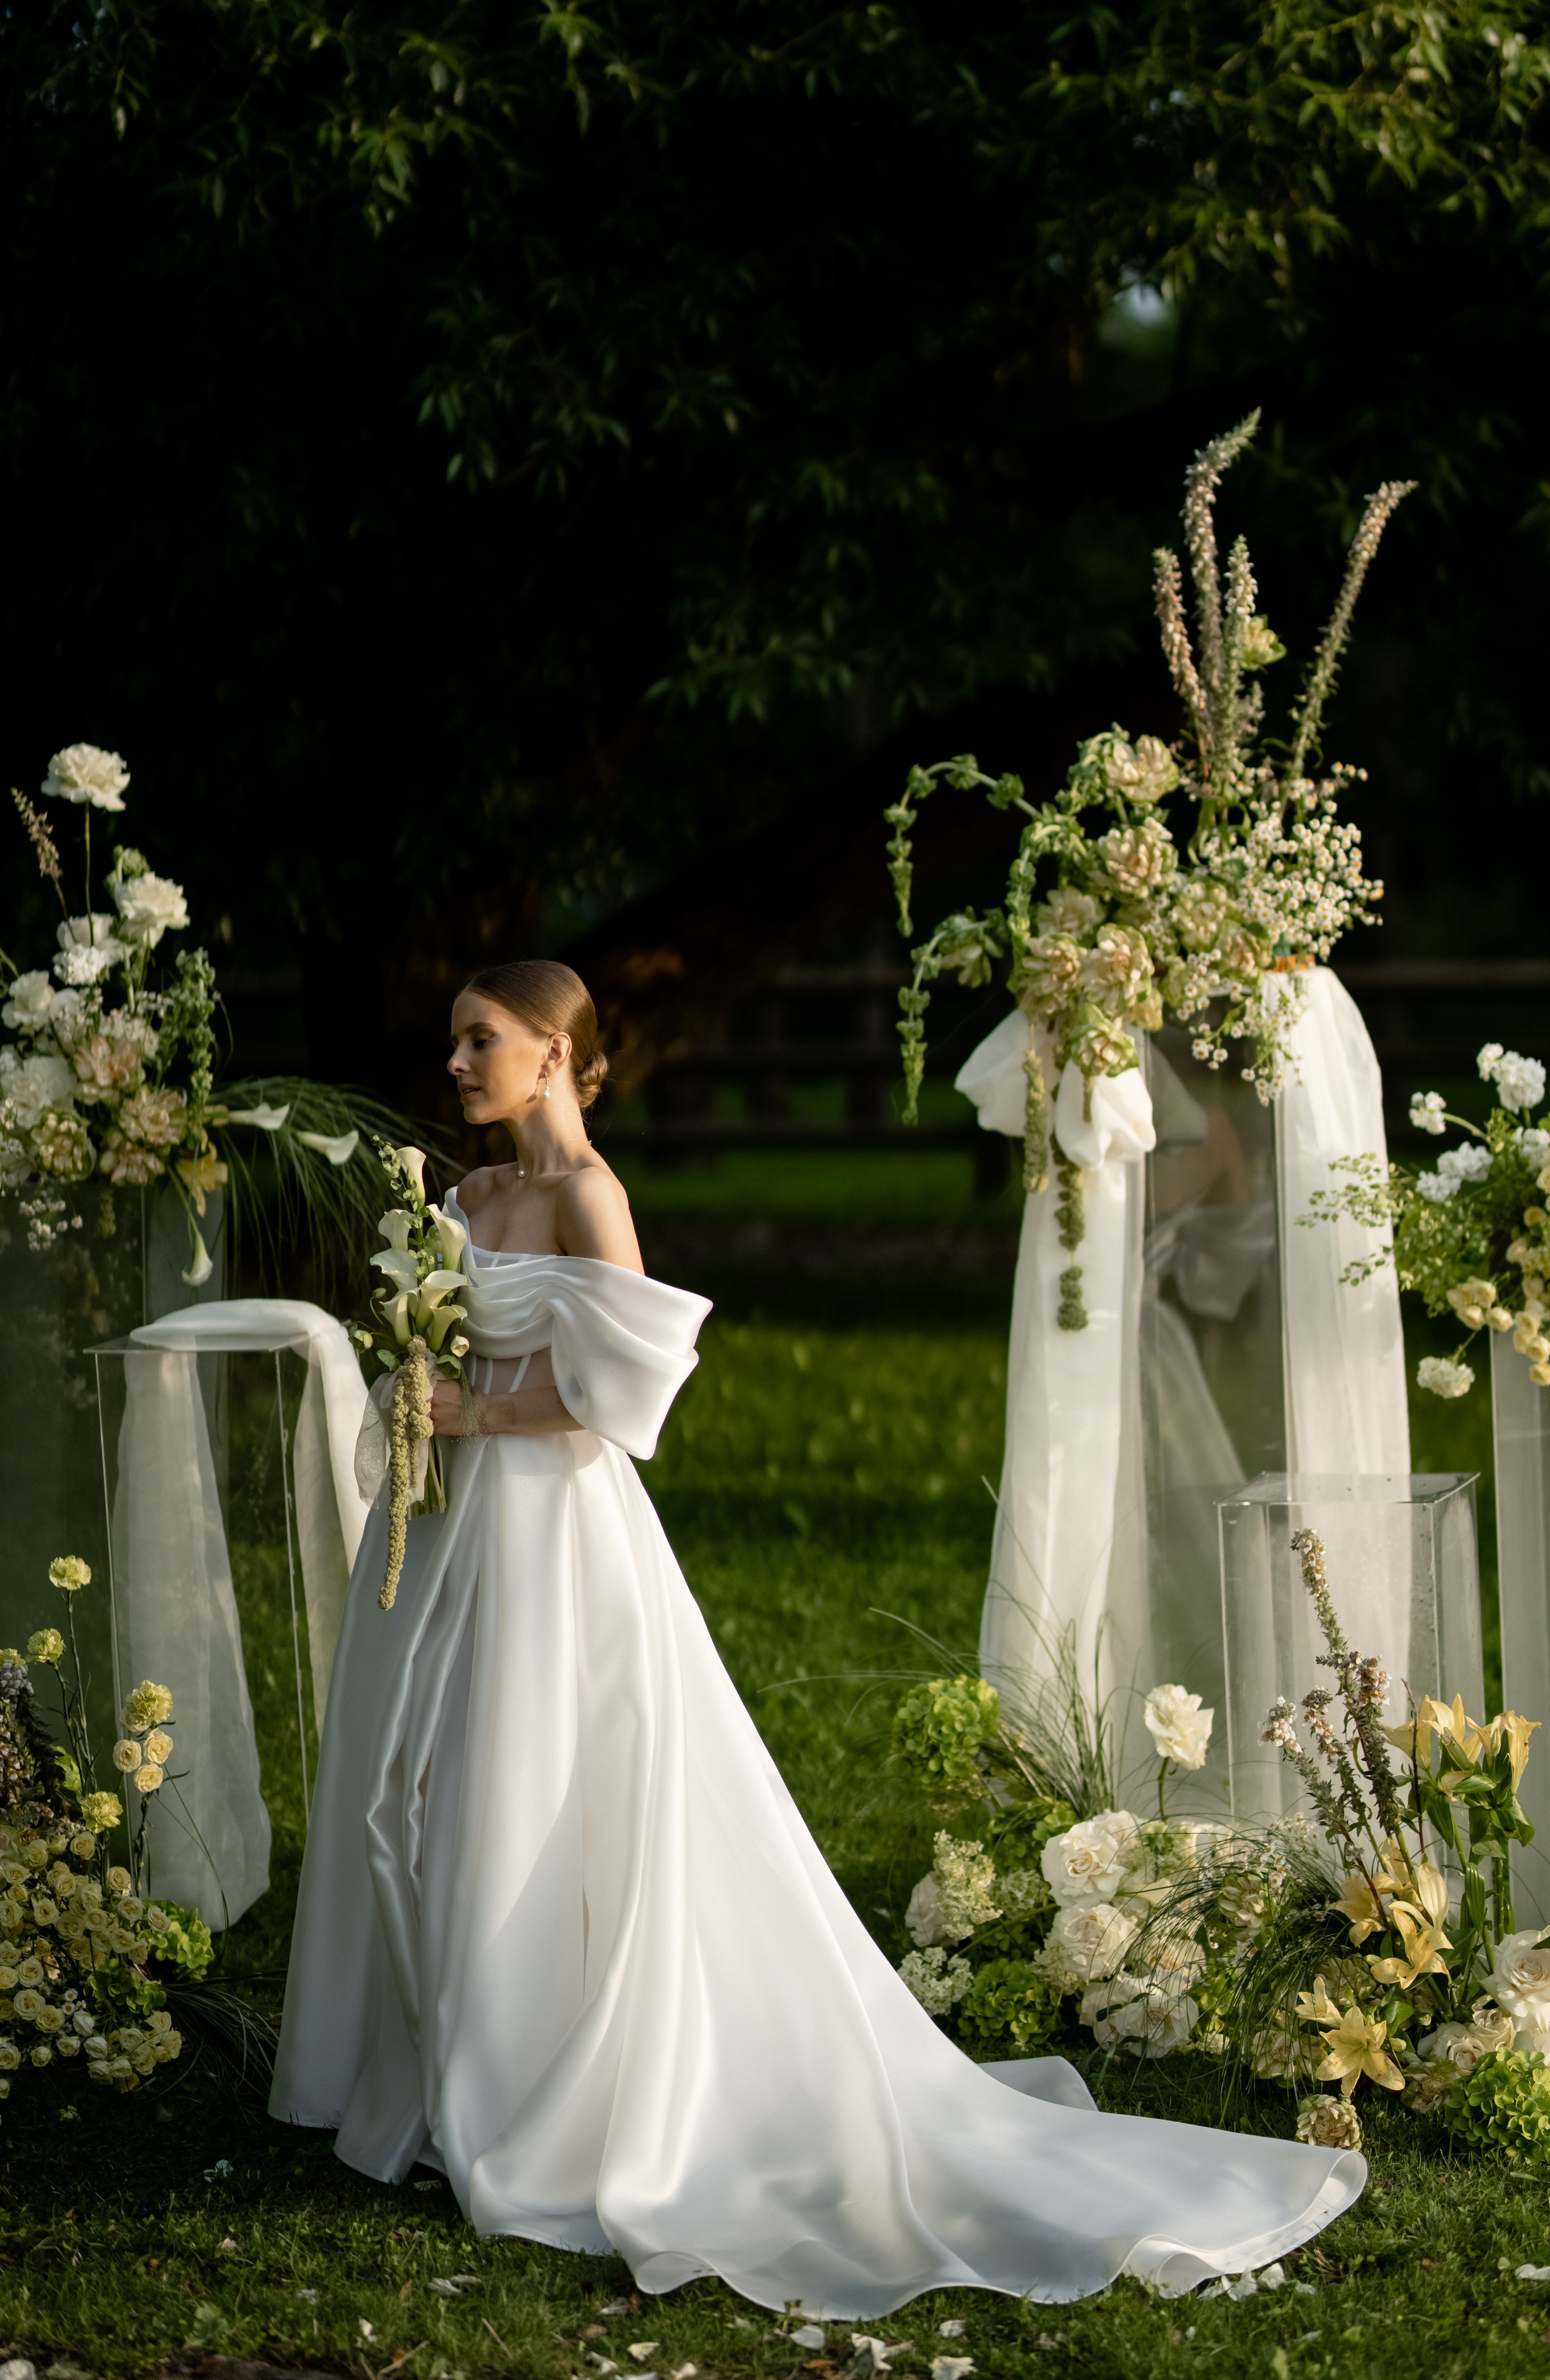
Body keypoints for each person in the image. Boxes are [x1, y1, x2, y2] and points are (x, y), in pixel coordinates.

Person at [270, 958, 1364, 2316]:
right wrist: (414, 1379)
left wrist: (474, 1415)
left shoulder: (584, 1198)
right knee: (421, 1776)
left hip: (552, 1530)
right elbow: (435, 1331)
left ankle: (542, 2086)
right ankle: (432, 2072)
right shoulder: (464, 1198)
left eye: (480, 1039)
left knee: (531, 1779)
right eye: (452, 1039)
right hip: (449, 1532)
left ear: (555, 1053)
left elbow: (625, 1389)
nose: (456, 1061)